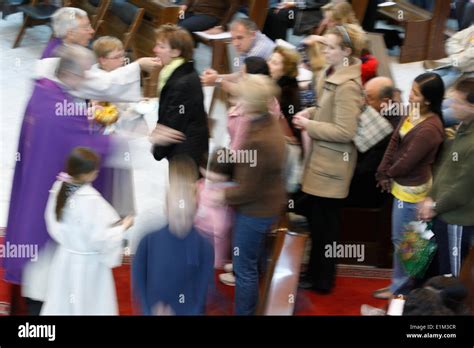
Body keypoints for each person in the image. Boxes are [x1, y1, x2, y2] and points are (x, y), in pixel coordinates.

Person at [4, 45, 111, 313]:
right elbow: (82, 143)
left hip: (37, 188)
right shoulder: (56, 109)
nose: (87, 79)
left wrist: (86, 119)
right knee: (45, 278)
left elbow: (69, 130)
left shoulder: (43, 92)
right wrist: (113, 137)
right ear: (71, 74)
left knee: (38, 270)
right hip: (48, 207)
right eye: (85, 73)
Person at [293, 24, 365, 293]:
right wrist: (309, 113)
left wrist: (308, 127)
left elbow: (345, 131)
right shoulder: (330, 72)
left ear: (346, 51)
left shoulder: (348, 86)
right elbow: (324, 107)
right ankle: (314, 274)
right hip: (321, 161)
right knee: (317, 223)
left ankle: (323, 281)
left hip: (333, 165)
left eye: (331, 47)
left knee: (326, 229)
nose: (324, 50)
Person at [209, 74, 286, 315]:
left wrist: (221, 196)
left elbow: (248, 190)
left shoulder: (259, 139)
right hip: (267, 203)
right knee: (255, 262)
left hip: (255, 210)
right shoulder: (266, 121)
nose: (236, 100)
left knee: (245, 269)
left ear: (251, 103)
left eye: (241, 96)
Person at [374, 73, 446, 300]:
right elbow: (395, 141)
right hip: (401, 186)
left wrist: (387, 172)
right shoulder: (414, 112)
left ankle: (402, 289)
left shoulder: (430, 128)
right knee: (403, 240)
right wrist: (382, 169)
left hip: (412, 191)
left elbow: (407, 161)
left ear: (427, 100)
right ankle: (402, 286)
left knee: (407, 242)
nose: (409, 95)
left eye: (415, 93)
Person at [40, 147, 133, 315]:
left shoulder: (59, 186)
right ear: (85, 174)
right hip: (89, 266)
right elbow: (100, 239)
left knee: (64, 305)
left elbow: (52, 222)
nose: (97, 172)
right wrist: (123, 226)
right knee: (88, 306)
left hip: (65, 258)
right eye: (95, 170)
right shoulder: (90, 200)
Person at [132, 155, 214, 315]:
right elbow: (139, 285)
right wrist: (149, 310)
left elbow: (201, 293)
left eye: (188, 215)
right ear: (166, 210)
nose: (183, 222)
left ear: (196, 211)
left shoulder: (204, 246)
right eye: (177, 215)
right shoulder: (147, 242)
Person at [36, 7, 160, 102]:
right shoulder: (61, 57)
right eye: (86, 27)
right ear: (70, 33)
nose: (92, 31)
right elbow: (104, 85)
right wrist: (138, 65)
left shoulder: (62, 45)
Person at [418, 78, 474, 277]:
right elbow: (444, 169)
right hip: (443, 213)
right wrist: (429, 197)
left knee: (453, 277)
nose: (452, 106)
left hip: (457, 219)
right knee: (437, 272)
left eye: (458, 102)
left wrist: (434, 207)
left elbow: (462, 190)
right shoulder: (462, 130)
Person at [149, 24, 209, 166]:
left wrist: (157, 149)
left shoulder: (181, 83)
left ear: (176, 52)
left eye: (161, 46)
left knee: (184, 188)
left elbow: (173, 122)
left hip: (186, 153)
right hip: (187, 146)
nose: (155, 50)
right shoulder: (181, 71)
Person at [345, 77, 400, 209]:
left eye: (369, 98)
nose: (364, 101)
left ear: (385, 102)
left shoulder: (389, 130)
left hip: (369, 191)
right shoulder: (378, 113)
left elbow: (365, 171)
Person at [200, 18, 275, 87]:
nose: (235, 43)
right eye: (233, 39)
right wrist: (217, 77)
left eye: (240, 38)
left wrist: (216, 80)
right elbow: (238, 70)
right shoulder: (250, 40)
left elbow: (241, 82)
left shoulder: (259, 50)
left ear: (253, 34)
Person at [195, 149, 235, 269]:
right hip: (199, 226)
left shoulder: (230, 189)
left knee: (216, 258)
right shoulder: (201, 183)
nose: (208, 174)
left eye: (215, 172)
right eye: (206, 168)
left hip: (218, 232)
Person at [268, 46, 302, 138]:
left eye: (274, 63)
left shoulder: (286, 94)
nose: (268, 64)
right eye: (269, 60)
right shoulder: (286, 84)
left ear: (285, 70)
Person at [262, 0, 328, 41]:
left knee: (281, 15)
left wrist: (295, 3)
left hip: (301, 11)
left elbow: (318, 2)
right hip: (286, 5)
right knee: (269, 12)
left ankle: (280, 48)